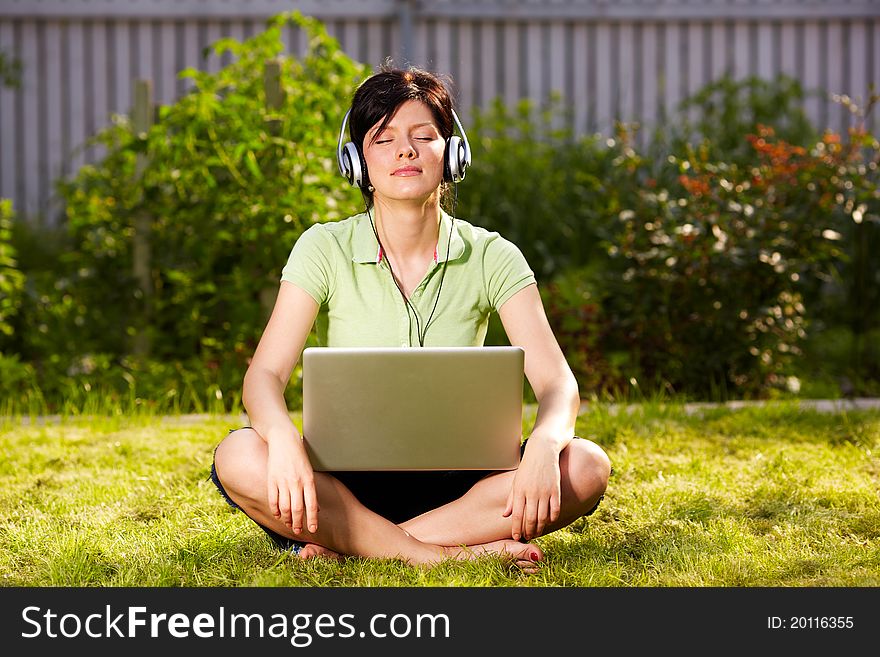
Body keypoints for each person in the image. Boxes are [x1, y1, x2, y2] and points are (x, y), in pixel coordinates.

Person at [210, 64, 611, 571]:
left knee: (585, 465)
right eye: (384, 139)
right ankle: (443, 557)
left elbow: (557, 383)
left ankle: (359, 546)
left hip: (464, 486)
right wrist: (285, 438)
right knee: (240, 453)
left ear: (453, 154)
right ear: (356, 160)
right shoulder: (323, 248)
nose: (405, 151)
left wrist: (546, 443)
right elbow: (263, 376)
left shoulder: (493, 255)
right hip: (346, 479)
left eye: (424, 136)